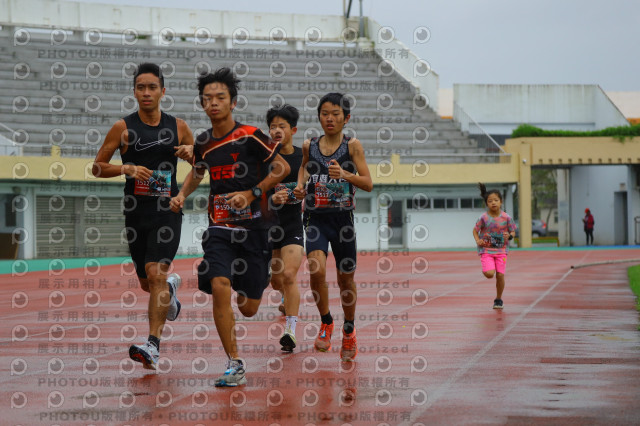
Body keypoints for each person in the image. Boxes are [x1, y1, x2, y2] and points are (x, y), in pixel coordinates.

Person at [170, 68, 289, 387]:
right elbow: (198, 172)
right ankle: (234, 363)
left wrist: (252, 193)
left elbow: (281, 167)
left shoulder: (250, 135)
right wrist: (181, 195)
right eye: (207, 98)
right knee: (220, 285)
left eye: (220, 97)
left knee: (248, 308)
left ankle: (253, 276)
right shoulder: (203, 142)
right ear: (202, 103)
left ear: (233, 102)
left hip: (255, 229)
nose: (213, 103)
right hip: (219, 227)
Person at [92, 62, 194, 369]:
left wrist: (191, 158)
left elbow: (201, 165)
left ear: (163, 91)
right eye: (141, 87)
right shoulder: (122, 128)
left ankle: (152, 346)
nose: (146, 92)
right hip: (136, 213)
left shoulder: (179, 127)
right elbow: (97, 167)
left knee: (156, 273)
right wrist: (126, 168)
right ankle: (170, 291)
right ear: (134, 92)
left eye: (152, 87)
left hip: (167, 210)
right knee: (148, 284)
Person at [293, 93, 373, 361]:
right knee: (316, 270)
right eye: (325, 113)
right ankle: (326, 321)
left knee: (345, 279)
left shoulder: (353, 146)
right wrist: (300, 185)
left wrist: (345, 174)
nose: (330, 118)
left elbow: (368, 183)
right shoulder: (310, 145)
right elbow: (303, 168)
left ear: (345, 118)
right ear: (319, 117)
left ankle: (349, 330)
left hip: (342, 222)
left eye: (336, 114)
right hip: (315, 218)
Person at [266, 104, 304, 352]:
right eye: (272, 127)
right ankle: (283, 295)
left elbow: (316, 188)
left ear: (293, 130)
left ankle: (290, 330)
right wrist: (271, 198)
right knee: (276, 281)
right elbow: (255, 192)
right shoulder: (265, 158)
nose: (277, 131)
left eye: (282, 126)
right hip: (269, 227)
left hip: (292, 226)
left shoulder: (303, 157)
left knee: (289, 276)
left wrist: (305, 193)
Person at [472, 183, 517, 309]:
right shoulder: (483, 218)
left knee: (500, 275)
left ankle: (498, 299)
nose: (493, 203)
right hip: (486, 250)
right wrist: (478, 240)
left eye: (496, 200)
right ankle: (486, 268)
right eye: (490, 201)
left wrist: (510, 236)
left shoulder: (506, 217)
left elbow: (513, 231)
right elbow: (475, 231)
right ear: (487, 203)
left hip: (502, 250)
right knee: (490, 274)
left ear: (501, 202)